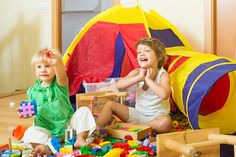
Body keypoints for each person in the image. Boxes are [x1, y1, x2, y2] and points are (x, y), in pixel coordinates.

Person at [21, 48, 96, 156]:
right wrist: (25, 114)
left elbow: (61, 75)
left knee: (84, 111)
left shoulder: (60, 84)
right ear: (34, 69)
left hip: (68, 127)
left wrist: (56, 64)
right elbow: (31, 110)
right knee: (30, 132)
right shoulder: (32, 91)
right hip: (46, 130)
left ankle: (80, 139)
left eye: (48, 66)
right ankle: (41, 146)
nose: (43, 70)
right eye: (39, 66)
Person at [96, 38, 172, 133]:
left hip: (156, 117)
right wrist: (139, 78)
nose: (141, 54)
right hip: (137, 114)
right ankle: (96, 127)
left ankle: (135, 127)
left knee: (166, 123)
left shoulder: (163, 75)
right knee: (110, 105)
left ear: (159, 55)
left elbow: (164, 95)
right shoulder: (137, 72)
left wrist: (148, 79)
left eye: (147, 50)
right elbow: (119, 85)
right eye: (139, 52)